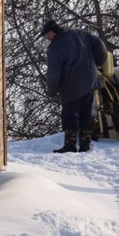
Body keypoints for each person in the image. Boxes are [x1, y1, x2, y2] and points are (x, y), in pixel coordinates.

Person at [41, 18, 108, 153]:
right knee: (85, 114)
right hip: (89, 82)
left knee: (69, 116)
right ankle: (85, 144)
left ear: (52, 32)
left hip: (71, 87)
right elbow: (99, 44)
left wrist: (51, 90)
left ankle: (70, 145)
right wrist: (98, 62)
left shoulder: (55, 48)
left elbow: (54, 73)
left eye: (47, 35)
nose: (46, 38)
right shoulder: (78, 33)